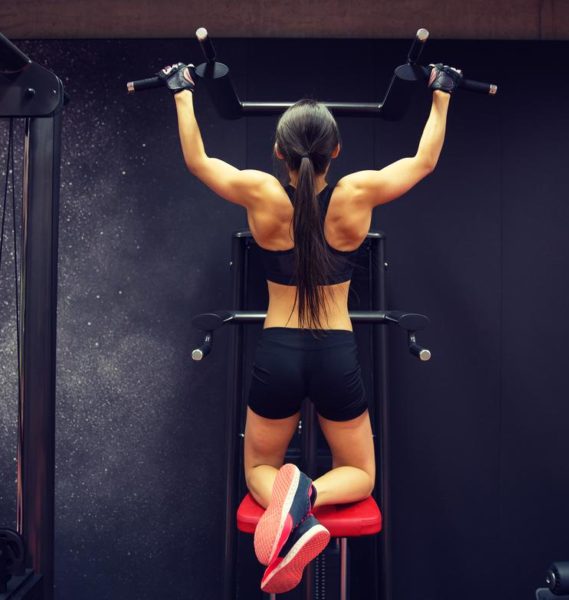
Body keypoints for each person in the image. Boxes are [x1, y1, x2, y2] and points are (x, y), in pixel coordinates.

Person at [160, 61, 462, 593]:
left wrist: (182, 92)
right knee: (361, 474)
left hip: (278, 350)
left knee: (258, 466)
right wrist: (442, 93)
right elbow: (425, 161)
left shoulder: (259, 193)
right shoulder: (357, 195)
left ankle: (289, 497)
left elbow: (198, 161)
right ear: (336, 152)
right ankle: (311, 499)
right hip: (335, 353)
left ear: (279, 152)